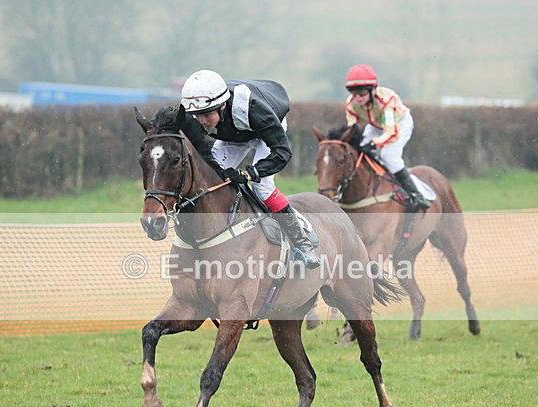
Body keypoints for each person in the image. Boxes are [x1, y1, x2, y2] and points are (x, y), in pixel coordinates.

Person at [179, 69, 320, 268]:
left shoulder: (255, 111)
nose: (202, 121)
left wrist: (250, 173)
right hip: (233, 135)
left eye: (207, 115)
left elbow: (282, 153)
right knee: (211, 178)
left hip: (264, 132)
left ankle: (303, 243)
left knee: (261, 187)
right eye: (197, 115)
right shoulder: (198, 111)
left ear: (223, 105)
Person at [344, 64, 430, 210]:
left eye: (362, 93)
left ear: (372, 90)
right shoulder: (350, 104)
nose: (357, 98)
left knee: (388, 155)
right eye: (353, 93)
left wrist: (373, 144)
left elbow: (391, 132)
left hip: (399, 124)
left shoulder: (386, 100)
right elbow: (352, 130)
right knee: (359, 151)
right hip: (375, 125)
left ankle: (416, 194)